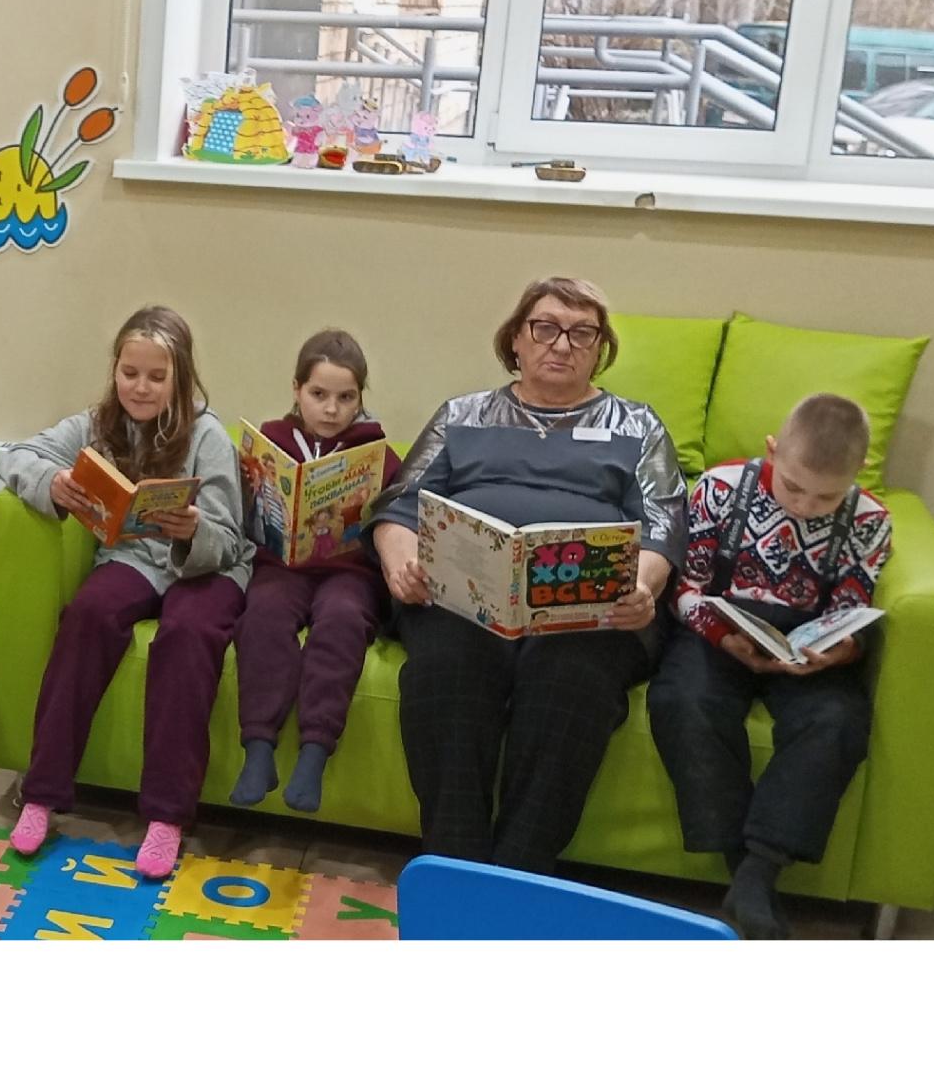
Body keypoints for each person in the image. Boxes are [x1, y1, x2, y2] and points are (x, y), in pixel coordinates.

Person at [369, 278, 684, 872]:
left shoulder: (638, 426)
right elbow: (400, 504)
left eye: (582, 333)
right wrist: (401, 563)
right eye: (545, 328)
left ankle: (520, 870)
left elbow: (664, 522)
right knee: (445, 671)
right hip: (465, 597)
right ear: (516, 338)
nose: (561, 344)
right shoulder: (462, 415)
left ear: (600, 348)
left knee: (571, 682)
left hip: (589, 611)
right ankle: (455, 866)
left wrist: (641, 587)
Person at [0, 304, 248, 879]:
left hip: (204, 570)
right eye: (130, 373)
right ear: (114, 370)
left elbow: (230, 539)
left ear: (180, 379)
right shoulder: (94, 426)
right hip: (133, 557)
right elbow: (18, 456)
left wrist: (193, 530)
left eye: (157, 377)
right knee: (87, 614)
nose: (141, 387)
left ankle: (166, 815)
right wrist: (53, 483)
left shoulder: (207, 436)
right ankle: (42, 793)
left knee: (186, 635)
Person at [647, 394, 893, 938]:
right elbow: (686, 586)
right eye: (793, 487)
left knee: (838, 721)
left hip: (807, 643)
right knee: (682, 699)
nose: (805, 506)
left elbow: (853, 604)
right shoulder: (719, 488)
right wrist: (724, 635)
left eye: (827, 496)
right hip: (720, 629)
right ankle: (743, 869)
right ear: (773, 451)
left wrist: (840, 649)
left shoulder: (870, 519)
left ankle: (759, 870)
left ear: (857, 473)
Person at [231, 328, 400, 815]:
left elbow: (400, 519)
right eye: (319, 394)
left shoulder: (378, 454)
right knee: (263, 615)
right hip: (281, 566)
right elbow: (241, 515)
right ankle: (258, 748)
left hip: (349, 573)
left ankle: (314, 754)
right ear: (297, 390)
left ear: (360, 398)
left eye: (346, 398)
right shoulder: (272, 442)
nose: (331, 409)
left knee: (343, 619)